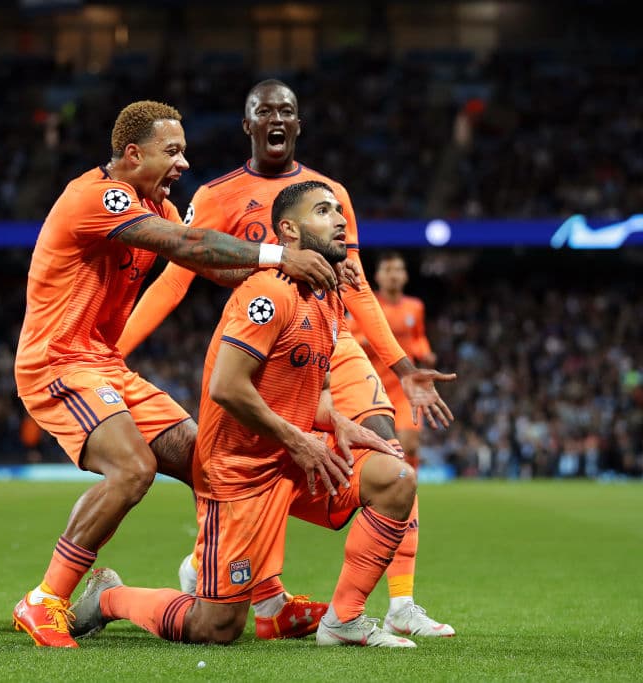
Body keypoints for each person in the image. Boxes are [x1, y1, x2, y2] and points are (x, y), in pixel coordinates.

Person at [117, 80, 456, 638]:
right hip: (272, 339)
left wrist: (401, 367)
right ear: (247, 124)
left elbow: (358, 285)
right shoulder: (219, 195)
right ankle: (245, 579)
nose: (277, 118)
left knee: (389, 456)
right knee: (266, 460)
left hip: (333, 338)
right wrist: (114, 354)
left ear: (298, 124)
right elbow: (173, 281)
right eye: (264, 111)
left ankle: (393, 605)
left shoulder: (328, 192)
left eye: (287, 111)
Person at [12, 100, 355, 648]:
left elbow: (212, 264)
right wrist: (276, 255)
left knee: (207, 462)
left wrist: (299, 262)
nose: (183, 164)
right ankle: (45, 599)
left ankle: (262, 598)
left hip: (103, 364)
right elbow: (187, 244)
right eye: (172, 152)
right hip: (58, 362)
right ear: (132, 153)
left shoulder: (158, 208)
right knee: (132, 470)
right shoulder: (99, 197)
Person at [71, 181, 418, 647]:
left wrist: (336, 422)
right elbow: (228, 387)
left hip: (293, 458)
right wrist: (300, 440)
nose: (339, 218)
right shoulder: (269, 292)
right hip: (240, 473)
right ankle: (111, 596)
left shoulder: (330, 293)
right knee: (214, 628)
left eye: (339, 209)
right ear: (289, 231)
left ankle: (343, 622)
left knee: (396, 478)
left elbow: (302, 385)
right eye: (323, 211)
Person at [356, 252, 437, 469]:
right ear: (378, 276)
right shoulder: (365, 305)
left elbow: (418, 337)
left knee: (409, 445)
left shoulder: (415, 307)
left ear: (406, 276)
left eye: (399, 270)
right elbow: (348, 339)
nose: (394, 275)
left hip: (404, 389)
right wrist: (366, 340)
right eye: (388, 270)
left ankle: (409, 498)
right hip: (374, 389)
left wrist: (425, 352)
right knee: (383, 451)